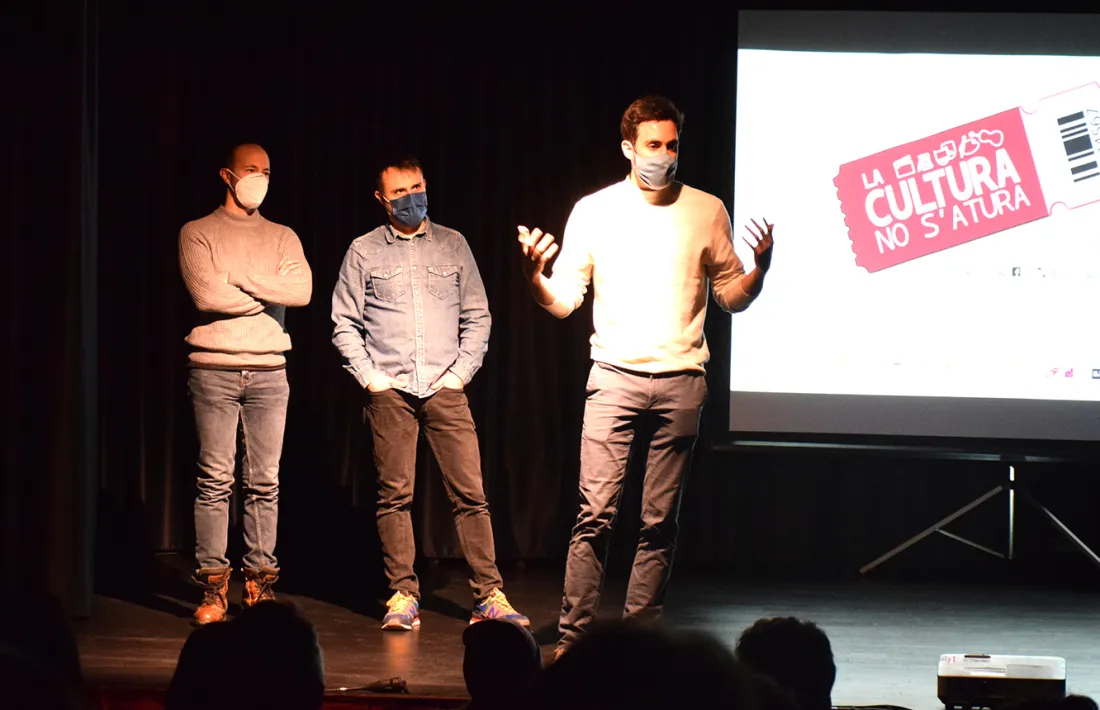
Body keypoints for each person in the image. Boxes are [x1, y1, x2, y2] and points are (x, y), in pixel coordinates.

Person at [518, 96, 775, 656]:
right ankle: (574, 640)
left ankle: (639, 642)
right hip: (613, 377)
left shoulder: (706, 209)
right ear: (628, 148)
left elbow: (731, 295)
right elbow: (563, 300)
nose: (664, 155)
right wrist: (535, 276)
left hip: (681, 379)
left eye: (672, 144)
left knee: (659, 522)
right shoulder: (595, 209)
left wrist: (758, 272)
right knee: (595, 516)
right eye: (653, 145)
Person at [332, 155, 528, 631]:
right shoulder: (363, 251)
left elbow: (477, 315)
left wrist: (460, 374)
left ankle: (489, 594)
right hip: (390, 390)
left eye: (416, 187)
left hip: (445, 386)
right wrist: (372, 379)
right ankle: (403, 594)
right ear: (381, 199)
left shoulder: (453, 244)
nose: (410, 198)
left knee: (470, 494)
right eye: (399, 193)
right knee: (394, 497)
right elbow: (343, 322)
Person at [178, 143, 312, 625]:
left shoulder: (282, 236)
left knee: (265, 483)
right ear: (227, 175)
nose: (260, 178)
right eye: (251, 170)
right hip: (213, 368)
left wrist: (238, 278)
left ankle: (258, 584)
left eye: (267, 171)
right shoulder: (197, 233)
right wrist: (262, 288)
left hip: (270, 371)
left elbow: (302, 291)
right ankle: (214, 588)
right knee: (215, 480)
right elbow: (207, 294)